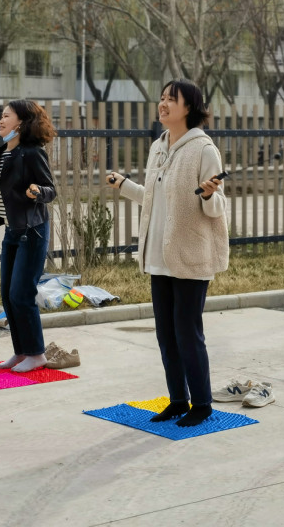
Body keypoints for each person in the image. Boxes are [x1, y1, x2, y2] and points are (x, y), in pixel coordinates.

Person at [106, 78, 229, 427]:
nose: (163, 104)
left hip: (190, 255)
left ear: (189, 107)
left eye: (170, 99)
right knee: (166, 335)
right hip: (159, 255)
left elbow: (219, 205)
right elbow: (154, 198)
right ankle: (177, 400)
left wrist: (209, 195)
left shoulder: (204, 149)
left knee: (187, 333)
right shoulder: (158, 147)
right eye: (161, 98)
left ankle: (201, 404)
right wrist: (124, 185)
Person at [0, 99, 57, 373]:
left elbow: (50, 190)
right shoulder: (4, 153)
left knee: (21, 294)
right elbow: (6, 195)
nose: (1, 120)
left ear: (22, 122)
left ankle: (37, 354)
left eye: (6, 116)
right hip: (13, 231)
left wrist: (37, 191)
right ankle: (21, 352)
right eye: (1, 116)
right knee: (7, 295)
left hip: (32, 231)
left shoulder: (32, 153)